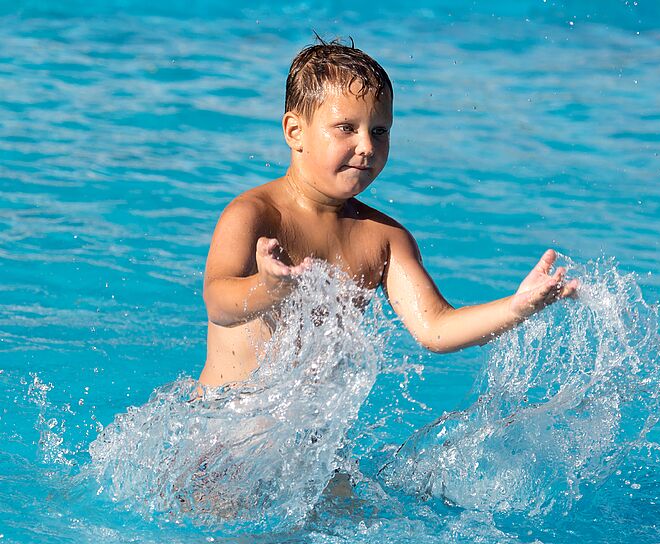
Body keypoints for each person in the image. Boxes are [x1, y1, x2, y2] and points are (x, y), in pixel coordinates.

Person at [197, 37, 578, 388]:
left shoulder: (385, 239)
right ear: (295, 132)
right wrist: (269, 288)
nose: (366, 146)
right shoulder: (253, 214)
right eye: (346, 128)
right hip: (225, 433)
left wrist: (516, 307)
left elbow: (436, 328)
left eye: (380, 131)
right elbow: (218, 303)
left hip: (305, 446)